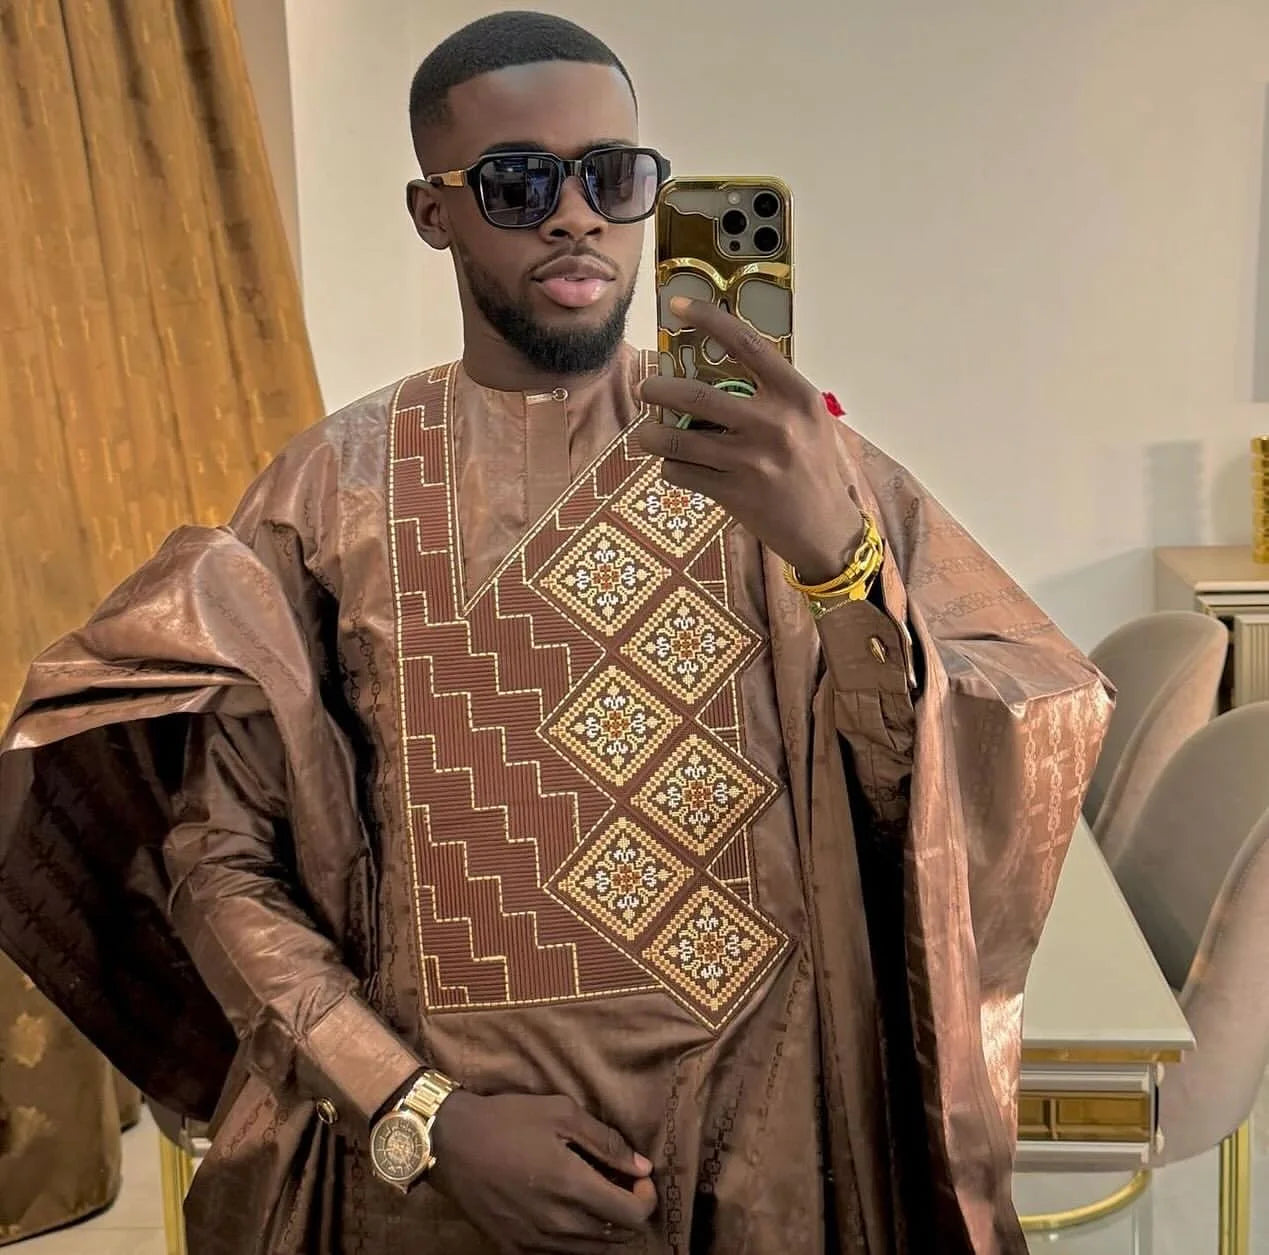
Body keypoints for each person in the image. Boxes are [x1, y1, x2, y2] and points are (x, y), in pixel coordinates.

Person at [0, 11, 1111, 1254]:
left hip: (774, 1148)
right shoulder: (330, 494)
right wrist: (418, 1112)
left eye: (613, 177)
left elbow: (951, 780)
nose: (576, 217)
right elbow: (219, 861)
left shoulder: (790, 460)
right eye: (520, 184)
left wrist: (841, 564)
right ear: (434, 212)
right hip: (444, 1189)